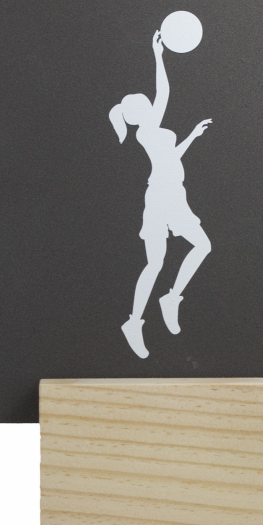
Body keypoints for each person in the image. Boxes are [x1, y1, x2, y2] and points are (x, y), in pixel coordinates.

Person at [109, 30, 212, 358]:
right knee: (155, 263)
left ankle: (171, 298)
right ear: (138, 114)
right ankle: (134, 322)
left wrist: (192, 136)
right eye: (145, 103)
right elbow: (164, 92)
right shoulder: (146, 131)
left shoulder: (154, 133)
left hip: (174, 195)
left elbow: (172, 158)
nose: (150, 102)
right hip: (160, 198)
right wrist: (158, 55)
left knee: (202, 246)